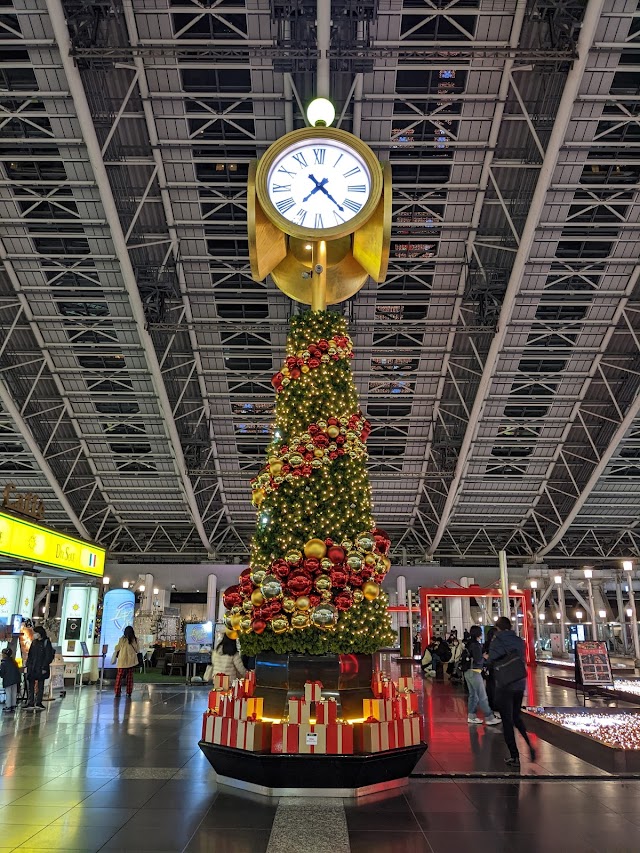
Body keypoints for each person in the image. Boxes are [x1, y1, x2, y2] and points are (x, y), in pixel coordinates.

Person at [487, 616, 536, 767]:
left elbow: (492, 659)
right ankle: (529, 744)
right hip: (519, 683)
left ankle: (514, 756)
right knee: (516, 716)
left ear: (498, 627)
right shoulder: (519, 640)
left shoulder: (497, 640)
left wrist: (487, 658)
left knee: (507, 721)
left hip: (504, 684)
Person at [463, 626, 500, 726]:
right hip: (474, 672)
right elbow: (478, 659)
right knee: (482, 696)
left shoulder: (469, 643)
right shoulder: (476, 645)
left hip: (467, 671)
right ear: (478, 634)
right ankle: (489, 717)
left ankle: (472, 716)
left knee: (473, 695)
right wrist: (484, 657)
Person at [25, 626, 54, 711]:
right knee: (31, 684)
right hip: (32, 667)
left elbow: (48, 656)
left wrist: (44, 666)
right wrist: (28, 665)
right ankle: (30, 702)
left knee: (40, 685)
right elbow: (30, 655)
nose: (34, 634)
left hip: (41, 667)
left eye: (35, 633)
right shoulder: (34, 642)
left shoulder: (46, 642)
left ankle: (38, 702)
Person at [111, 626, 139, 698]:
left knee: (119, 677)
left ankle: (117, 692)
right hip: (131, 661)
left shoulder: (122, 639)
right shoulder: (134, 640)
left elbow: (117, 648)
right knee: (130, 677)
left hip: (122, 660)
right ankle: (129, 692)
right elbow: (137, 650)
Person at [482, 626, 499, 713]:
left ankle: (492, 705)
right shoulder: (494, 645)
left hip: (491, 668)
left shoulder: (488, 644)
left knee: (491, 687)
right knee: (492, 687)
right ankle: (494, 705)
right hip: (493, 668)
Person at [1, 647, 20, 713]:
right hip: (15, 680)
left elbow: (2, 673)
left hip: (8, 680)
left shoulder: (3, 663)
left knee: (8, 693)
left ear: (4, 655)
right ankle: (13, 705)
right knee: (13, 692)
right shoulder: (14, 662)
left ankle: (8, 706)